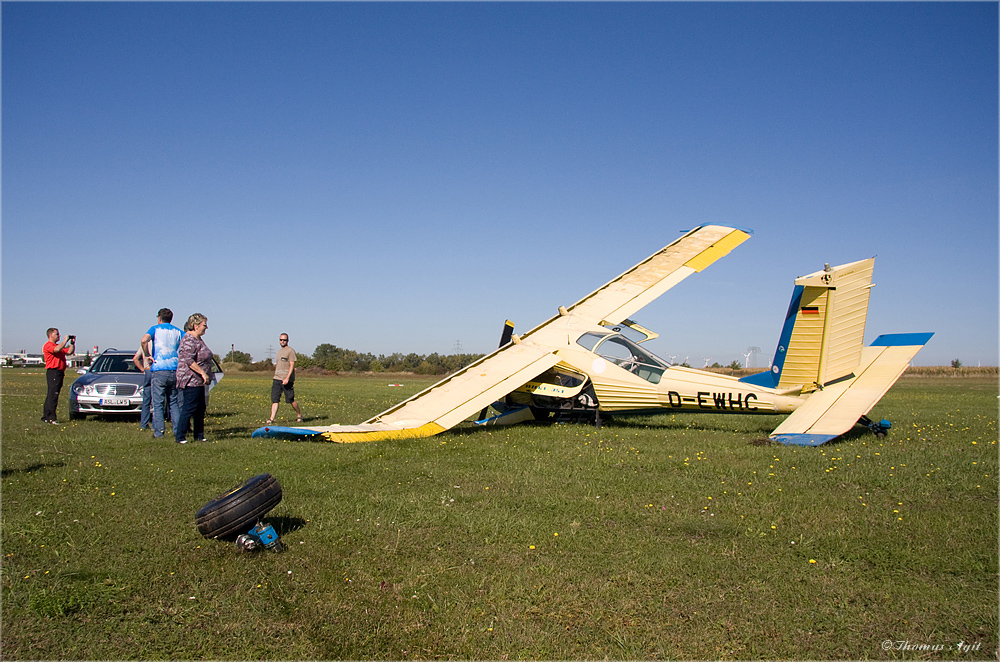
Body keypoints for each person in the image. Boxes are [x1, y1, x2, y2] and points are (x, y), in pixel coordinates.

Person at [141, 308, 183, 438]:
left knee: (158, 402)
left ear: (159, 318)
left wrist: (147, 354)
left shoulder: (155, 329)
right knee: (173, 402)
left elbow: (144, 340)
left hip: (159, 369)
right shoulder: (178, 331)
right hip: (174, 369)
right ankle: (177, 431)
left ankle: (159, 432)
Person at [174, 313, 214, 444]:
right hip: (191, 380)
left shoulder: (198, 340)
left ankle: (199, 435)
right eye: (204, 325)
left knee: (200, 408)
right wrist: (202, 373)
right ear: (196, 326)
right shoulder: (189, 340)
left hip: (199, 382)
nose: (206, 327)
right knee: (189, 408)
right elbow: (188, 360)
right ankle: (180, 436)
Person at [267, 333, 303, 424]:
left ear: (288, 341)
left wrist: (287, 378)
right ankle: (272, 418)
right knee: (275, 399)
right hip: (277, 378)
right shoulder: (279, 352)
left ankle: (299, 415)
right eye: (281, 340)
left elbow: (292, 365)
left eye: (284, 340)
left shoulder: (290, 351)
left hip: (286, 379)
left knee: (290, 399)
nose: (282, 341)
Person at [41, 328, 75, 424]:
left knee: (52, 394)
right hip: (53, 372)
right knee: (53, 395)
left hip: (59, 372)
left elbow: (69, 352)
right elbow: (56, 350)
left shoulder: (57, 346)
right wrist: (65, 340)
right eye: (57, 334)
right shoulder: (49, 346)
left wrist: (72, 343)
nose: (59, 336)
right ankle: (51, 417)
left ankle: (46, 416)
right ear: (51, 335)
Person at [132, 348, 152, 430]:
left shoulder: (145, 345)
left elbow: (135, 359)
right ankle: (156, 425)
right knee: (157, 400)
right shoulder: (159, 341)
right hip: (157, 370)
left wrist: (143, 370)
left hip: (147, 370)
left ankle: (144, 423)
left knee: (146, 400)